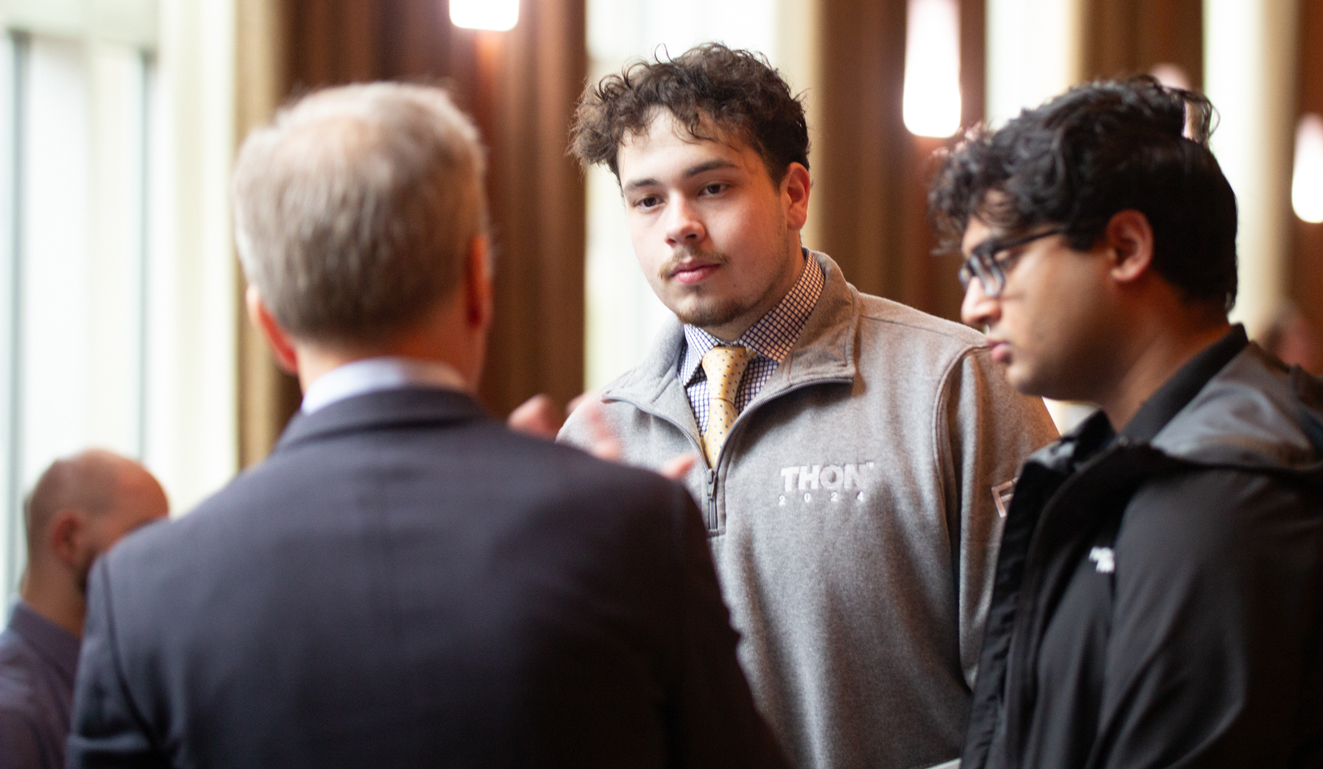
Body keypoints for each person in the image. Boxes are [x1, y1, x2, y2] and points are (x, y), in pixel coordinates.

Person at [67, 82, 787, 769]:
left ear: (272, 328)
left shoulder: (142, 590)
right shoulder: (631, 527)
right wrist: (603, 520)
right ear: (478, 283)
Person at [562, 44, 1057, 769]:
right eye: (647, 200)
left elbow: (1040, 703)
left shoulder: (960, 383)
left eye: (712, 187)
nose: (679, 225)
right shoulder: (594, 438)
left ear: (794, 194)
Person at [930, 77, 1323, 769]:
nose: (974, 306)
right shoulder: (1133, 463)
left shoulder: (1224, 499)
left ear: (1125, 247)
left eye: (996, 263)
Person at [0, 450, 167, 769]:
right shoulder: (10, 716)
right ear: (69, 539)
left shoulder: (123, 680)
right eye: (145, 536)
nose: (162, 559)